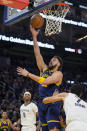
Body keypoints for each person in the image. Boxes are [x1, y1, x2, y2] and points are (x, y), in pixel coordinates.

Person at [17, 25, 63, 131]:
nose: (52, 60)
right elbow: (37, 53)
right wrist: (34, 37)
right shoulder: (44, 69)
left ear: (59, 64)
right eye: (52, 59)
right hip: (41, 103)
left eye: (55, 60)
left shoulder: (58, 74)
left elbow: (46, 81)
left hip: (52, 103)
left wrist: (28, 74)